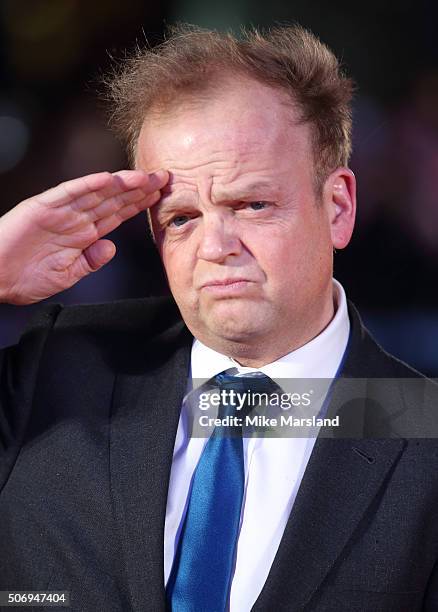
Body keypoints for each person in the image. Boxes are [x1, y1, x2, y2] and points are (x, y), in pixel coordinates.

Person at [0, 23, 437, 612]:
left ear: (337, 208)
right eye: (181, 218)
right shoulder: (55, 374)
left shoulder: (425, 432)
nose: (214, 245)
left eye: (252, 204)